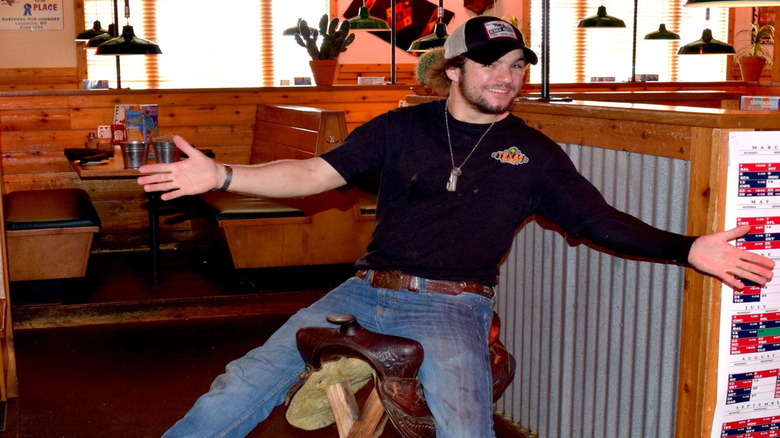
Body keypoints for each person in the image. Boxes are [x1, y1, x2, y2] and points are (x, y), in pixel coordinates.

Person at [137, 16, 774, 438]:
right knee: (239, 383)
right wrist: (223, 177)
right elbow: (311, 174)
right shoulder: (398, 129)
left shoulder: (533, 154)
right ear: (453, 69)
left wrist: (688, 248)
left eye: (518, 65)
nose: (506, 76)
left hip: (454, 306)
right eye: (491, 62)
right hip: (362, 290)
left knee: (466, 430)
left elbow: (596, 220)